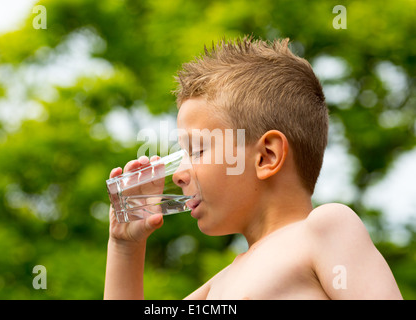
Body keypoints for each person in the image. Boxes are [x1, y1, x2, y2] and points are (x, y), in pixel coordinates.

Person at [104, 37, 402, 299]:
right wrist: (125, 247)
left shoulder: (323, 229)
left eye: (197, 150)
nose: (179, 174)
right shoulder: (213, 290)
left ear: (266, 156)